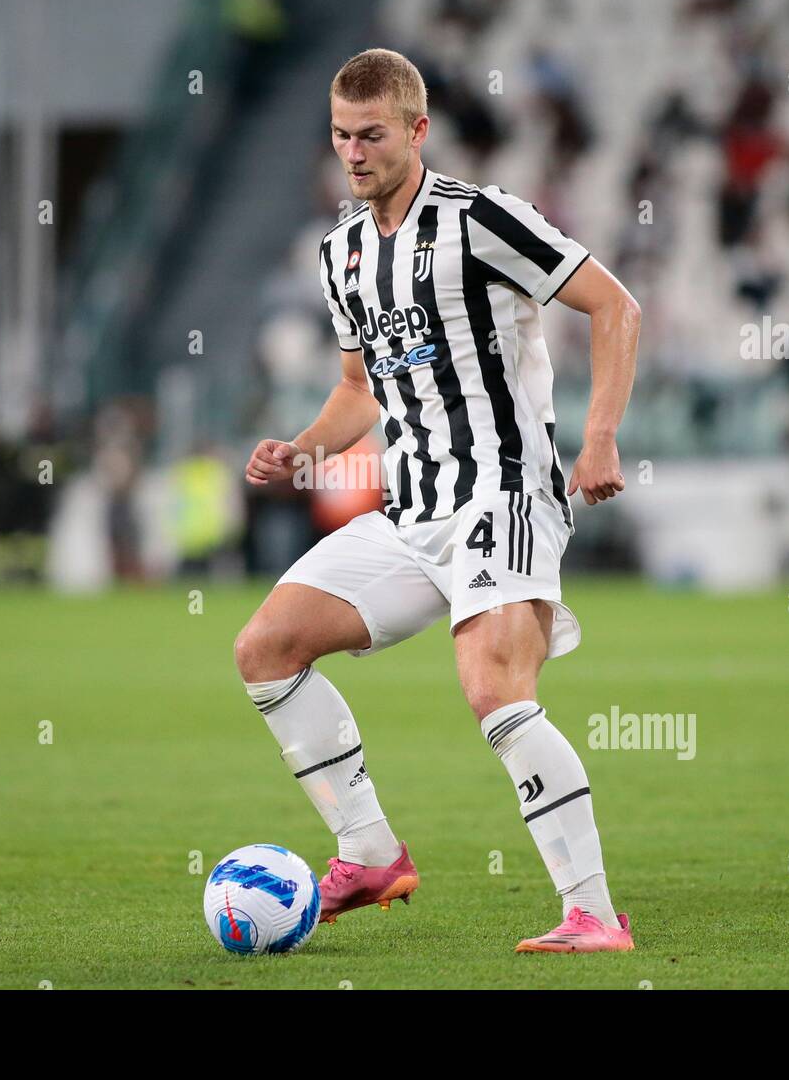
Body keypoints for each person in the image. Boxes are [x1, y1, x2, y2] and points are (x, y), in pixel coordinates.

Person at [236, 49, 641, 954]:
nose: (353, 152)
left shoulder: (483, 220)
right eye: (341, 135)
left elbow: (616, 307)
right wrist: (303, 450)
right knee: (265, 649)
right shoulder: (339, 251)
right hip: (412, 512)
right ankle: (368, 849)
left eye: (372, 134)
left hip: (505, 493)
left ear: (417, 130)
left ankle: (593, 915)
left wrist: (601, 437)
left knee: (492, 687)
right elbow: (360, 389)